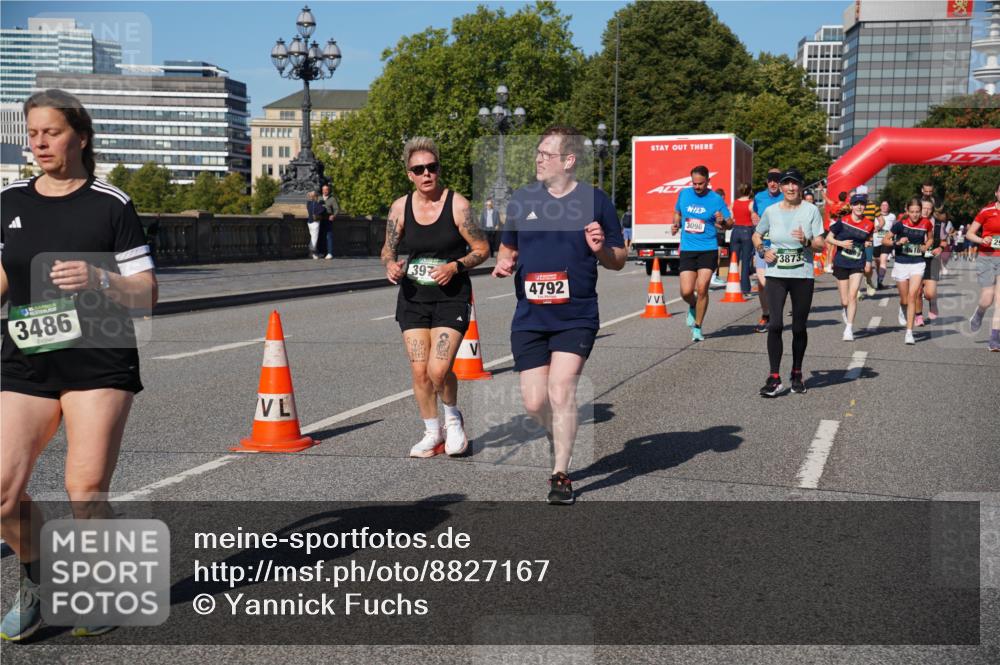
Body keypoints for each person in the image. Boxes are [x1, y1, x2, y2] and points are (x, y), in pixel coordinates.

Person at [1, 89, 158, 640]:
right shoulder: (9, 200)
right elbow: (5, 275)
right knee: (2, 492)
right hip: (28, 358)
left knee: (84, 489)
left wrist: (99, 278)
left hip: (98, 357)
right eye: (33, 133)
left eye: (52, 132)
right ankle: (38, 578)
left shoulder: (111, 204)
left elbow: (146, 293)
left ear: (81, 137)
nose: (40, 143)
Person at [492, 125, 625, 504]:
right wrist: (504, 263)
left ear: (568, 160)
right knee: (535, 403)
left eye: (546, 154)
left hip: (575, 315)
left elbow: (618, 259)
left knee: (561, 389)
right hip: (530, 316)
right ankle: (560, 432)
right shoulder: (522, 199)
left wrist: (599, 249)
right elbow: (508, 248)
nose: (538, 159)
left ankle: (561, 474)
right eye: (537, 152)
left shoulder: (596, 201)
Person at [382, 137, 489, 458]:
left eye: (432, 167)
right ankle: (432, 432)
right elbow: (387, 248)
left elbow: (483, 249)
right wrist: (390, 264)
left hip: (451, 297)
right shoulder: (400, 208)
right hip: (413, 297)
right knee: (419, 371)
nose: (426, 173)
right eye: (419, 169)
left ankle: (453, 419)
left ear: (439, 170)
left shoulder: (458, 205)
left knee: (439, 370)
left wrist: (455, 266)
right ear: (409, 174)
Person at [752, 168, 825, 397]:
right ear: (781, 187)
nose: (791, 188)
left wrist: (806, 241)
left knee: (799, 327)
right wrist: (763, 251)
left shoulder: (811, 210)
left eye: (795, 183)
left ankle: (796, 372)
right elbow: (757, 234)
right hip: (776, 274)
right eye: (787, 183)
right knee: (775, 324)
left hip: (802, 276)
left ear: (801, 186)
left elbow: (821, 245)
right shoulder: (771, 211)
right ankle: (774, 377)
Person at [671, 166, 732, 342]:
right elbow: (677, 212)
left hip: (708, 248)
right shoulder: (684, 194)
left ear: (708, 181)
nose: (697, 187)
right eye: (694, 183)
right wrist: (676, 224)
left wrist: (722, 221)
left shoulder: (716, 199)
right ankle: (693, 304)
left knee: (702, 287)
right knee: (686, 291)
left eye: (701, 183)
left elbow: (730, 223)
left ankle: (697, 327)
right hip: (688, 249)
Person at [883, 198, 932, 345]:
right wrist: (897, 242)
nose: (915, 215)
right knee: (905, 300)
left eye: (918, 212)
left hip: (918, 263)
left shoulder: (926, 223)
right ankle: (902, 307)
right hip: (901, 263)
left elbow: (930, 238)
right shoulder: (900, 224)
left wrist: (926, 246)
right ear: (907, 211)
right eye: (912, 212)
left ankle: (909, 332)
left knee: (913, 296)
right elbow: (885, 240)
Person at [826, 193, 874, 341]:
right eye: (856, 204)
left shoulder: (869, 224)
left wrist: (868, 259)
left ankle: (849, 328)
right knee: (845, 301)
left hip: (857, 262)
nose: (859, 206)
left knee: (853, 295)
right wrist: (841, 244)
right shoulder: (842, 221)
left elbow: (869, 242)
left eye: (862, 204)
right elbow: (828, 238)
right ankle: (844, 309)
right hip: (841, 262)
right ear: (852, 206)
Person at [964, 180, 1000, 351]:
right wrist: (981, 240)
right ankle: (979, 313)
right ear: (996, 193)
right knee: (987, 298)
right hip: (987, 257)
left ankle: (994, 339)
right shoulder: (987, 211)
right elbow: (969, 234)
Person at [751, 168, 784, 333]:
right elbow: (755, 213)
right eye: (770, 180)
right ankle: (766, 314)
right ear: (766, 181)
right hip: (763, 245)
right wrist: (753, 217)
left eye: (776, 180)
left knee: (779, 282)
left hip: (782, 246)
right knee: (762, 282)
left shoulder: (786, 197)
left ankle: (775, 314)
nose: (773, 183)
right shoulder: (759, 197)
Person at [913, 199, 947, 326]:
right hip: (915, 259)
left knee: (930, 293)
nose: (926, 211)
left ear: (932, 210)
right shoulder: (912, 223)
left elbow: (944, 241)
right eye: (924, 208)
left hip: (932, 260)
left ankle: (933, 302)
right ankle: (918, 315)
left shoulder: (938, 224)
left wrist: (940, 248)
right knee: (917, 291)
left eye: (929, 208)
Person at [729, 183, 755, 297]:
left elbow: (730, 218)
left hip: (735, 231)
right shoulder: (751, 203)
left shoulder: (733, 203)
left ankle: (732, 285)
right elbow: (754, 218)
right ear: (750, 191)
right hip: (747, 231)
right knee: (745, 261)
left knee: (734, 260)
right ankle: (745, 289)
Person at [873, 200, 895, 289]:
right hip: (876, 242)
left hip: (886, 241)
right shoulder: (875, 216)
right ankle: (879, 278)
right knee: (877, 262)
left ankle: (880, 281)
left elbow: (894, 228)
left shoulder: (892, 216)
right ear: (880, 207)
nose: (884, 207)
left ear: (889, 207)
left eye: (886, 205)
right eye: (883, 205)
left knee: (883, 260)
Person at [320, 183, 339, 259]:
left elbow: (336, 209)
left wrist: (333, 215)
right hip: (320, 219)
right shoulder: (319, 198)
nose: (325, 191)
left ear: (328, 190)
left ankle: (330, 252)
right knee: (321, 236)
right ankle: (322, 252)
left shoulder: (332, 199)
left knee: (328, 236)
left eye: (326, 190)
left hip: (328, 218)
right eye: (323, 190)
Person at [305, 190, 323, 259]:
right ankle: (312, 252)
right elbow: (322, 210)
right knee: (314, 238)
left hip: (309, 222)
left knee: (312, 237)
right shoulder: (317, 205)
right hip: (315, 222)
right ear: (316, 197)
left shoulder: (308, 203)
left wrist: (309, 196)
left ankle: (313, 252)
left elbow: (308, 200)